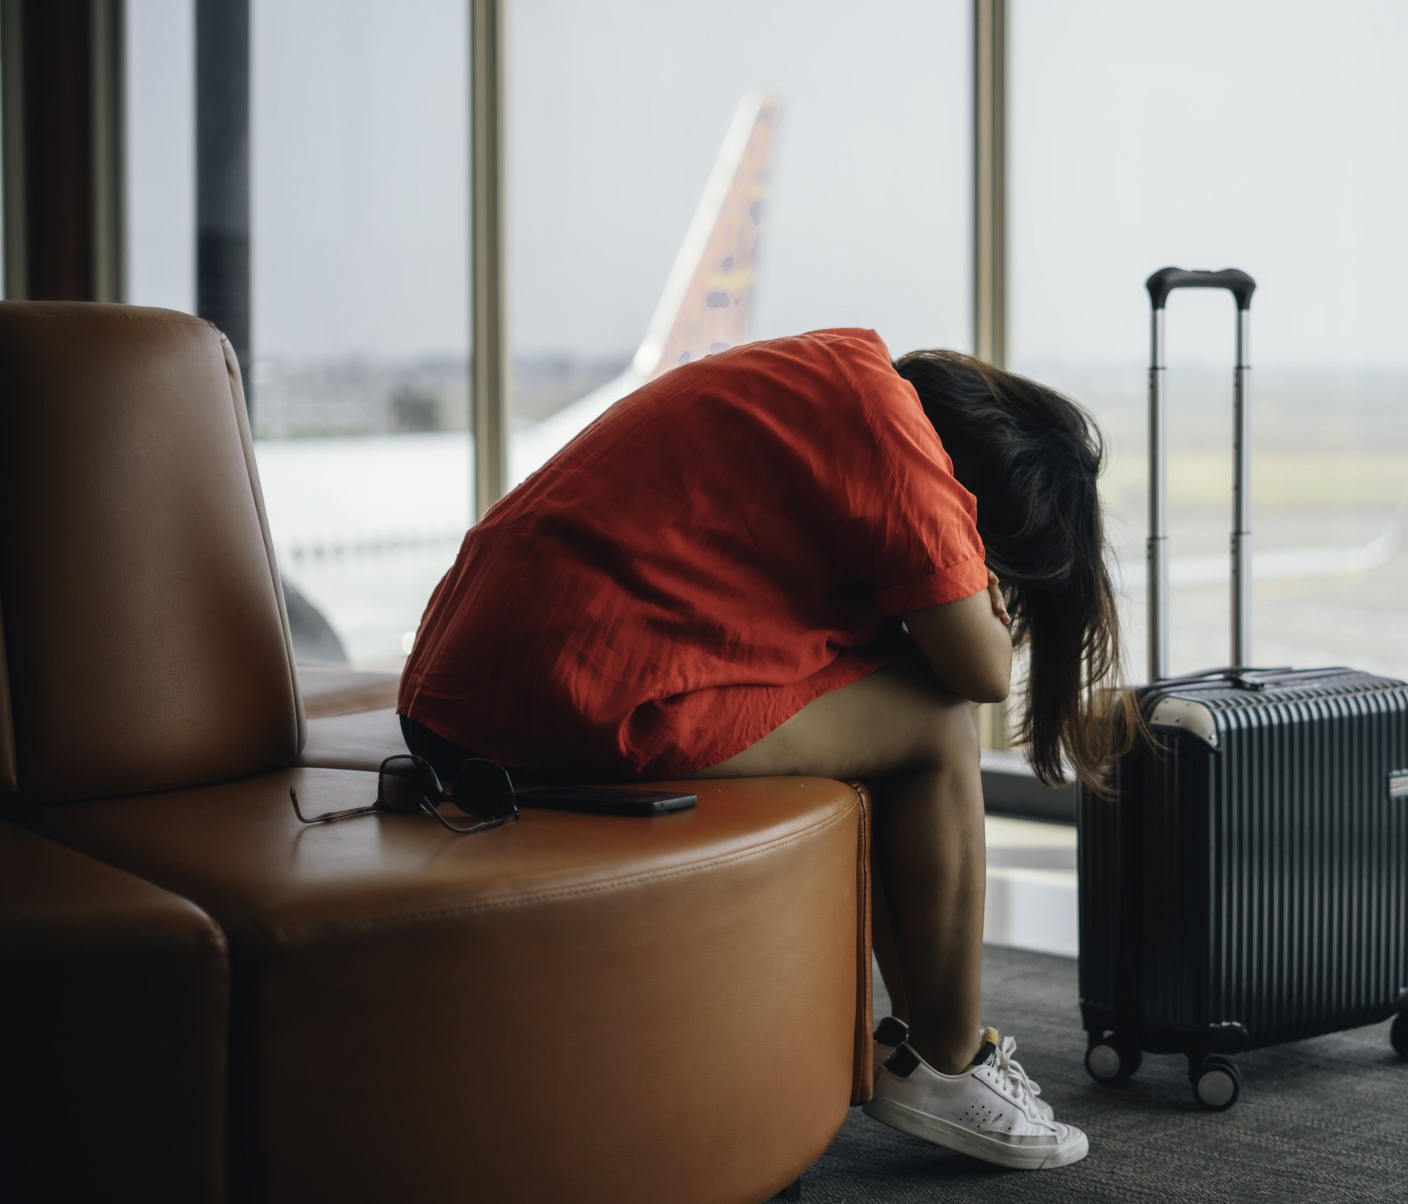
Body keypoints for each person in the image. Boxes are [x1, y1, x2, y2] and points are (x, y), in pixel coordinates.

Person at [396, 327, 1138, 1171]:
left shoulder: (837, 372)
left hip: (461, 689)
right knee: (931, 722)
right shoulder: (897, 441)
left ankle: (921, 1046)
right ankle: (946, 1061)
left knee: (885, 680)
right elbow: (980, 670)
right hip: (561, 698)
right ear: (978, 496)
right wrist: (981, 610)